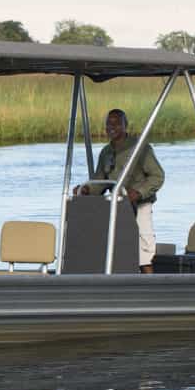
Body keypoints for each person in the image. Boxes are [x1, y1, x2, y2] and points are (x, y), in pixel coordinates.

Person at [73, 109, 165, 273]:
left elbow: (157, 176)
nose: (111, 127)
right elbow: (99, 181)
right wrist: (86, 188)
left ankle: (150, 282)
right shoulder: (106, 152)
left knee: (144, 245)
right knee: (112, 243)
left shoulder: (140, 147)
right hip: (116, 206)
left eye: (116, 123)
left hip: (140, 204)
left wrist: (138, 192)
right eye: (109, 123)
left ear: (125, 125)